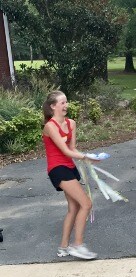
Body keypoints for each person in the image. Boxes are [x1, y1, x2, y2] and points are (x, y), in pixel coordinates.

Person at [42, 90, 97, 260]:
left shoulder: (71, 123)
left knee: (74, 208)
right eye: (62, 103)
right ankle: (77, 245)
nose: (66, 106)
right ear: (53, 106)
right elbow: (64, 150)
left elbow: (72, 150)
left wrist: (86, 157)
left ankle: (64, 247)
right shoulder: (50, 126)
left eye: (66, 102)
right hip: (57, 169)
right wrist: (87, 157)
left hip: (69, 167)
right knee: (86, 204)